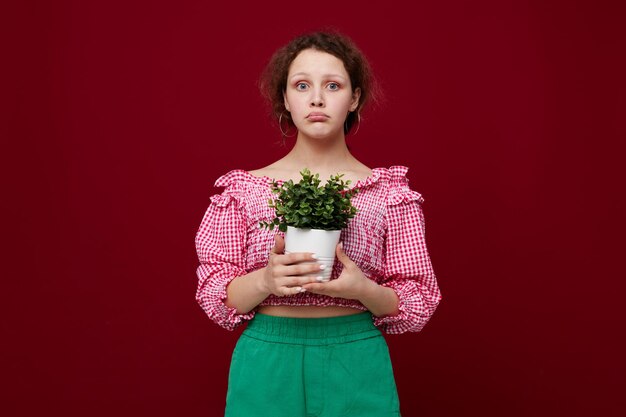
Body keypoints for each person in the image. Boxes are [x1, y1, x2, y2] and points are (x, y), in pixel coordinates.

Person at [194, 30, 442, 417]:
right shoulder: (243, 192)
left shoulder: (389, 193)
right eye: (302, 85)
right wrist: (265, 280)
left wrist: (364, 290)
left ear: (354, 97)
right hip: (267, 360)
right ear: (285, 99)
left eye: (333, 85)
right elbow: (214, 292)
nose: (317, 98)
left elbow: (418, 299)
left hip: (355, 356)